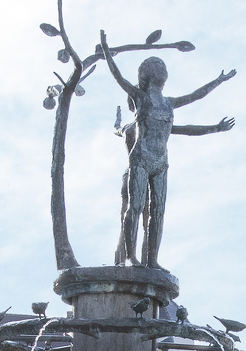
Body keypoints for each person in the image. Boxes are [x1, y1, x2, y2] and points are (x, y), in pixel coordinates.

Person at [99, 29, 235, 269]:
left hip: (161, 162)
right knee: (136, 206)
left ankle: (152, 260)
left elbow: (194, 100)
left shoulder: (169, 103)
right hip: (140, 159)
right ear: (148, 75)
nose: (161, 72)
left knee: (158, 212)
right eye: (157, 69)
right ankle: (131, 256)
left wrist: (218, 88)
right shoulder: (141, 98)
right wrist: (107, 50)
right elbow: (118, 77)